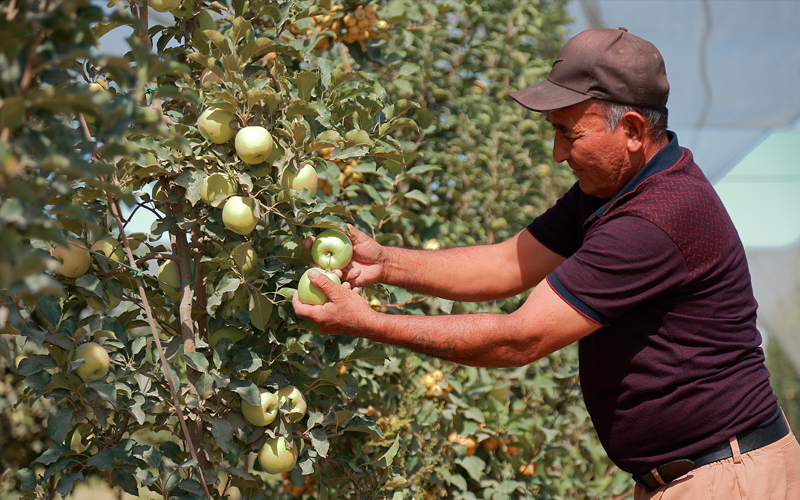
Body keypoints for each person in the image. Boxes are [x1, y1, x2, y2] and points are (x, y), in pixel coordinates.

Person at [292, 28, 800, 499]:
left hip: (728, 478)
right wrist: (386, 264)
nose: (558, 153)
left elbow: (519, 339)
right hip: (692, 475)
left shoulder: (655, 219)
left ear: (631, 128)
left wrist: (368, 323)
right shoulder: (608, 190)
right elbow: (507, 264)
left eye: (569, 134)